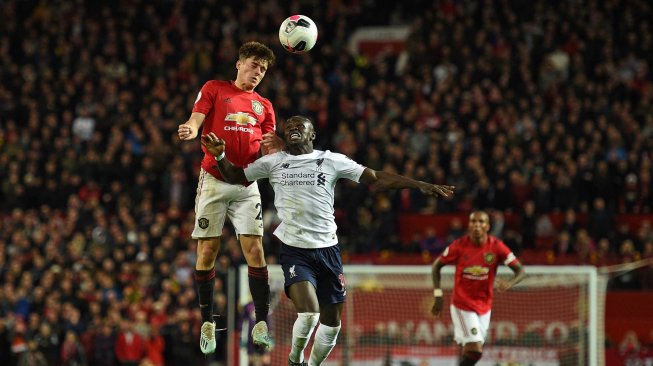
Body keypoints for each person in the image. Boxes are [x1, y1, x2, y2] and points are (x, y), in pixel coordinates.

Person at [200, 115, 455, 366]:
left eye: (300, 126)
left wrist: (417, 184)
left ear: (312, 134)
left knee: (332, 325)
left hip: (328, 251)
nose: (293, 129)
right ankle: (294, 359)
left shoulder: (331, 160)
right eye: (288, 127)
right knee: (309, 314)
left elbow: (376, 178)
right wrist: (220, 156)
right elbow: (235, 176)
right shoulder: (274, 162)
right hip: (295, 250)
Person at [177, 41, 279, 354]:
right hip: (215, 180)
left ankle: (261, 322)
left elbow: (269, 146)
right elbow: (197, 115)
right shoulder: (215, 89)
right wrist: (192, 129)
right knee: (207, 252)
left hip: (246, 185)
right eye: (253, 65)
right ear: (239, 64)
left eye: (262, 69)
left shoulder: (264, 106)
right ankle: (207, 321)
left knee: (255, 250)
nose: (257, 72)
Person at [431, 211, 525, 366]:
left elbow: (520, 271)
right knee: (476, 350)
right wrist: (438, 295)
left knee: (471, 352)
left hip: (484, 306)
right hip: (463, 305)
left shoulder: (497, 247)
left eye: (481, 222)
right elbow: (436, 266)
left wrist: (510, 282)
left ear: (487, 226)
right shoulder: (459, 245)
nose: (476, 225)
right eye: (473, 222)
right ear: (469, 225)